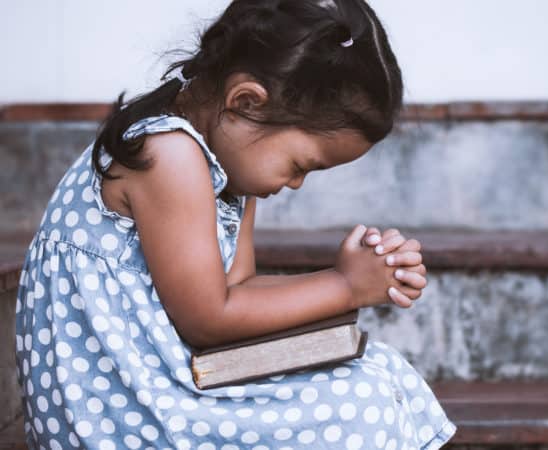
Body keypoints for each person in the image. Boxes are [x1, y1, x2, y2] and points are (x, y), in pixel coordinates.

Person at [13, 0, 458, 448]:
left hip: (161, 386)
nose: (297, 183)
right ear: (246, 102)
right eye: (301, 164)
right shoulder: (168, 155)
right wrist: (343, 285)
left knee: (381, 372)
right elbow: (209, 318)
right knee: (362, 404)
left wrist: (360, 280)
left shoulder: (226, 166)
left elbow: (238, 290)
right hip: (118, 414)